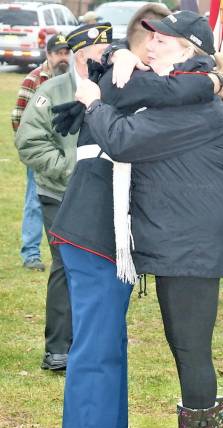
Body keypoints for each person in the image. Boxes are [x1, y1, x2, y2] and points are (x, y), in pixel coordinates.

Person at [49, 5, 223, 428]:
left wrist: (95, 102)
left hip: (189, 243)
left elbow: (123, 140)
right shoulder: (163, 88)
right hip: (99, 233)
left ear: (188, 52)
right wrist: (118, 54)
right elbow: (118, 76)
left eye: (161, 40)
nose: (150, 45)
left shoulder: (195, 103)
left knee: (185, 351)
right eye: (148, 39)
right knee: (101, 349)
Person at [15, 23, 112, 371]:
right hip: (61, 192)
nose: (109, 55)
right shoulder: (53, 91)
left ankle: (93, 340)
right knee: (66, 264)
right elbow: (29, 141)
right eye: (102, 51)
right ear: (81, 54)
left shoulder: (115, 88)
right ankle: (58, 346)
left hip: (105, 192)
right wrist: (68, 168)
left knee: (102, 267)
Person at [11, 34, 70, 272]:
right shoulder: (34, 80)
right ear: (48, 54)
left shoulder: (74, 79)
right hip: (42, 154)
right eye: (58, 53)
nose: (63, 58)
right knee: (34, 202)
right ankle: (31, 253)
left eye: (67, 52)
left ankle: (67, 250)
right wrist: (36, 149)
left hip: (67, 154)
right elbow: (18, 117)